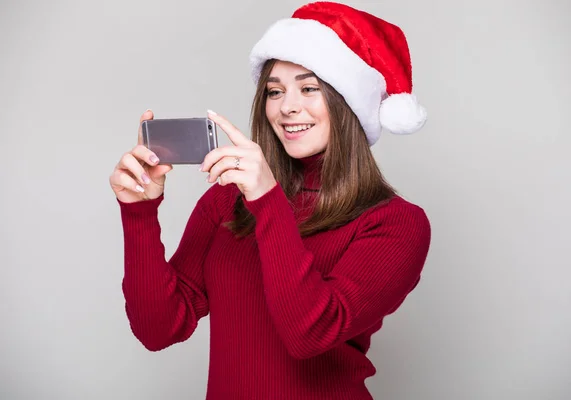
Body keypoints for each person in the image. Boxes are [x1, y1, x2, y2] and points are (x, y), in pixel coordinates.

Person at [109, 2, 431, 399]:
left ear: (349, 103)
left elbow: (309, 333)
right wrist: (139, 213)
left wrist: (268, 200)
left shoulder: (396, 223)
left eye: (310, 88)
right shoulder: (228, 201)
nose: (286, 106)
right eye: (274, 91)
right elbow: (158, 330)